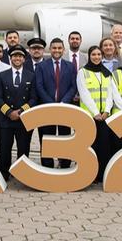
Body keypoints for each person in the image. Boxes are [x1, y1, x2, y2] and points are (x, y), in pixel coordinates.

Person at [77, 46, 122, 182]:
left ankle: (102, 174)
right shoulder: (83, 72)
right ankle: (89, 175)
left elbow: (110, 94)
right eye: (94, 54)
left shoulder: (106, 73)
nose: (96, 57)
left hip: (104, 117)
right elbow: (84, 93)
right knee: (90, 146)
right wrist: (95, 112)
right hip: (89, 116)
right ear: (90, 56)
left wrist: (107, 111)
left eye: (99, 54)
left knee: (104, 146)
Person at [0, 45, 37, 178]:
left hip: (24, 118)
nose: (17, 58)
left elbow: (34, 98)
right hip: (6, 119)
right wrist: (9, 112)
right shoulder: (1, 75)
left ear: (24, 59)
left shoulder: (31, 76)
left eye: (20, 56)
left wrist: (20, 112)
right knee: (5, 149)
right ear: (10, 58)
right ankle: (4, 174)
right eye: (14, 56)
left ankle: (22, 174)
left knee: (23, 148)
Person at [34, 38, 77, 168]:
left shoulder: (70, 66)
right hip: (47, 109)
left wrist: (63, 102)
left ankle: (64, 165)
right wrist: (51, 104)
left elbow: (73, 87)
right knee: (46, 138)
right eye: (54, 48)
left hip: (64, 109)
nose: (57, 50)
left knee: (65, 138)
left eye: (59, 48)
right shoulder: (41, 66)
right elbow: (39, 87)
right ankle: (47, 167)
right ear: (49, 50)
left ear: (63, 50)